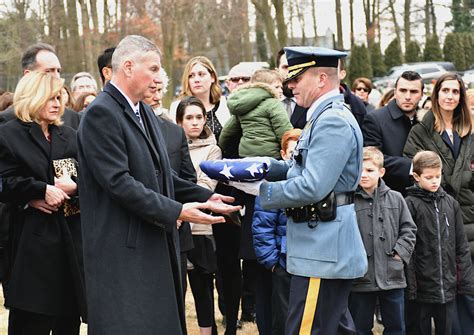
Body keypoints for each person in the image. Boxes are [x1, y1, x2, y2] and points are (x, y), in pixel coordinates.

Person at [77, 35, 239, 334]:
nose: (158, 78)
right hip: (123, 251)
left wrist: (206, 198)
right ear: (127, 67)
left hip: (152, 242)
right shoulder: (101, 113)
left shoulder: (143, 113)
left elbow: (161, 175)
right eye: (152, 69)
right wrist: (179, 210)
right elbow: (120, 183)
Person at [259, 46, 367, 334]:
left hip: (322, 249)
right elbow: (303, 169)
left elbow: (312, 186)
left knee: (307, 329)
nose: (290, 85)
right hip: (322, 248)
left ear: (321, 79)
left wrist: (260, 191)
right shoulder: (322, 116)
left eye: (297, 78)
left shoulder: (331, 120)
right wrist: (266, 167)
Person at [0, 71, 86, 334]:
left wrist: (76, 188)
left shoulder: (70, 135)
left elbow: (91, 178)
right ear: (32, 97)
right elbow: (4, 182)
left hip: (70, 243)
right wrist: (38, 191)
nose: (57, 103)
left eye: (59, 97)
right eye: (50, 98)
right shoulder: (8, 135)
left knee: (67, 322)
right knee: (31, 323)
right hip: (31, 247)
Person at [403, 73, 474, 335]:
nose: (450, 96)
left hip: (468, 215)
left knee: (467, 289)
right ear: (436, 95)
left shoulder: (468, 131)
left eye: (455, 92)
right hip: (435, 216)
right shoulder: (421, 131)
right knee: (441, 294)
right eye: (445, 90)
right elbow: (415, 168)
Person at [404, 151, 474, 335]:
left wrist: (464, 281)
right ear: (416, 177)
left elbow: (461, 246)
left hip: (448, 287)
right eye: (429, 177)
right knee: (419, 329)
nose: (435, 181)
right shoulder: (409, 204)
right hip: (421, 289)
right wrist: (411, 287)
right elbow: (408, 249)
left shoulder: (451, 204)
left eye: (438, 175)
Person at [349, 146, 417, 335]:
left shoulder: (396, 198)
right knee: (359, 328)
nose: (364, 175)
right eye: (359, 170)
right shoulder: (349, 201)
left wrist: (399, 254)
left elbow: (409, 229)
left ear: (381, 172)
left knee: (396, 327)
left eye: (369, 170)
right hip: (361, 277)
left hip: (392, 275)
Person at [176, 96, 222, 335]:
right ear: (179, 121)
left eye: (198, 117)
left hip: (201, 226)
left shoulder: (212, 149)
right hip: (174, 225)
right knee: (176, 292)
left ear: (205, 119)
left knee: (203, 288)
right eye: (188, 118)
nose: (194, 122)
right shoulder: (169, 147)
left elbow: (205, 186)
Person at [252, 128, 301, 335]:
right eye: (292, 154)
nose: (295, 159)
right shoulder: (272, 186)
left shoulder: (316, 183)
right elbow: (262, 227)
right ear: (283, 155)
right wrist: (272, 262)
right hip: (283, 261)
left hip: (309, 262)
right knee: (282, 318)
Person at [362, 71, 424, 195]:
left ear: (422, 94)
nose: (408, 96)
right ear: (395, 92)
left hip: (424, 197)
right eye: (403, 90)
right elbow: (371, 159)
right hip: (390, 196)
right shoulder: (375, 119)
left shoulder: (427, 120)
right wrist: (413, 166)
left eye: (414, 91)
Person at [0, 43, 81, 129]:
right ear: (28, 75)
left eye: (58, 71)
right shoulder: (6, 123)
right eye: (49, 71)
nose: (57, 77)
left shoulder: (71, 118)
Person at [219, 69, 292, 159]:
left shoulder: (243, 105)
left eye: (281, 87)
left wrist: (227, 151)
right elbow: (284, 130)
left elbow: (226, 134)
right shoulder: (273, 103)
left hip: (245, 155)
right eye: (276, 87)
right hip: (270, 156)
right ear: (266, 87)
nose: (281, 90)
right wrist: (292, 146)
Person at [170, 56, 230, 140]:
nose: (196, 80)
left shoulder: (226, 104)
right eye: (191, 76)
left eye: (201, 74)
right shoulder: (177, 107)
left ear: (212, 77)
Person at [275, 47, 307, 129]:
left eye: (295, 68)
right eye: (286, 67)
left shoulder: (312, 102)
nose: (290, 72)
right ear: (276, 71)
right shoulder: (265, 101)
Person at [338, 59, 368, 127]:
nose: (362, 91)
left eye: (365, 90)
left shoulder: (357, 104)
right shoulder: (311, 100)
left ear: (342, 74)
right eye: (359, 89)